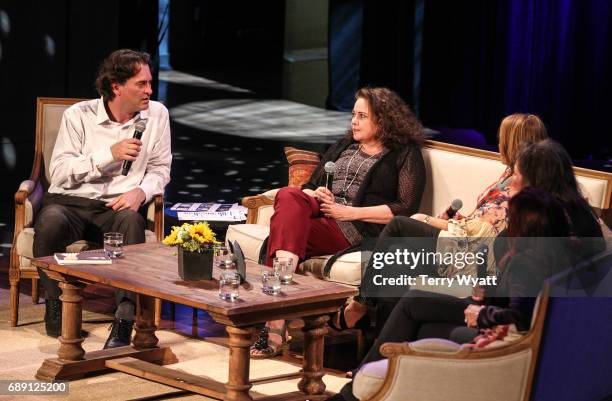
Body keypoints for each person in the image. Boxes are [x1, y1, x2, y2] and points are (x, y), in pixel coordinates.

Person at [327, 140, 604, 401]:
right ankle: (371, 380)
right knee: (418, 298)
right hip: (535, 325)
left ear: (536, 182)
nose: (510, 184)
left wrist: (484, 311)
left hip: (512, 331)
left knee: (416, 303)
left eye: (516, 177)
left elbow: (523, 303)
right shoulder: (579, 217)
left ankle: (362, 385)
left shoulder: (540, 228)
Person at [250, 87, 426, 358]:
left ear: (383, 119)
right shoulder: (344, 145)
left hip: (352, 225)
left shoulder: (403, 153)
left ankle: (275, 322)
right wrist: (315, 192)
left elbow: (405, 208)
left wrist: (348, 212)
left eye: (362, 116)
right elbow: (309, 185)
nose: (353, 121)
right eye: (353, 115)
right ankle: (280, 307)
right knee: (289, 195)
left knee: (283, 232)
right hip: (319, 210)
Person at [335, 113, 548, 331]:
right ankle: (384, 347)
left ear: (512, 142)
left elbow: (484, 232)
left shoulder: (523, 186)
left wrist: (428, 220)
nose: (499, 142)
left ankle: (361, 304)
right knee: (397, 257)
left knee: (400, 225)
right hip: (462, 242)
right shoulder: (508, 174)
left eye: (502, 137)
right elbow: (481, 220)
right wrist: (458, 218)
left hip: (473, 255)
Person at [33, 49, 172, 348]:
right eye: (141, 84)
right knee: (49, 222)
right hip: (71, 203)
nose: (149, 90)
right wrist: (108, 155)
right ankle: (56, 304)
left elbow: (161, 168)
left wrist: (141, 191)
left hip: (117, 206)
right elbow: (58, 173)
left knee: (132, 222)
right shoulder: (79, 116)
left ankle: (124, 320)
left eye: (149, 83)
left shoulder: (157, 115)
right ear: (116, 87)